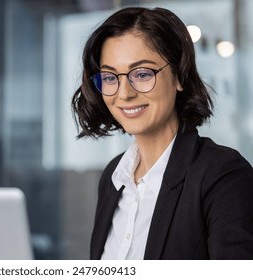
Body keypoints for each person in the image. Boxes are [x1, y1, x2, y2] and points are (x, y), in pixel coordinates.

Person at [71, 7, 253, 259]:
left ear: (179, 75)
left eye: (143, 74)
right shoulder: (114, 176)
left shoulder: (222, 175)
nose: (124, 94)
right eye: (110, 77)